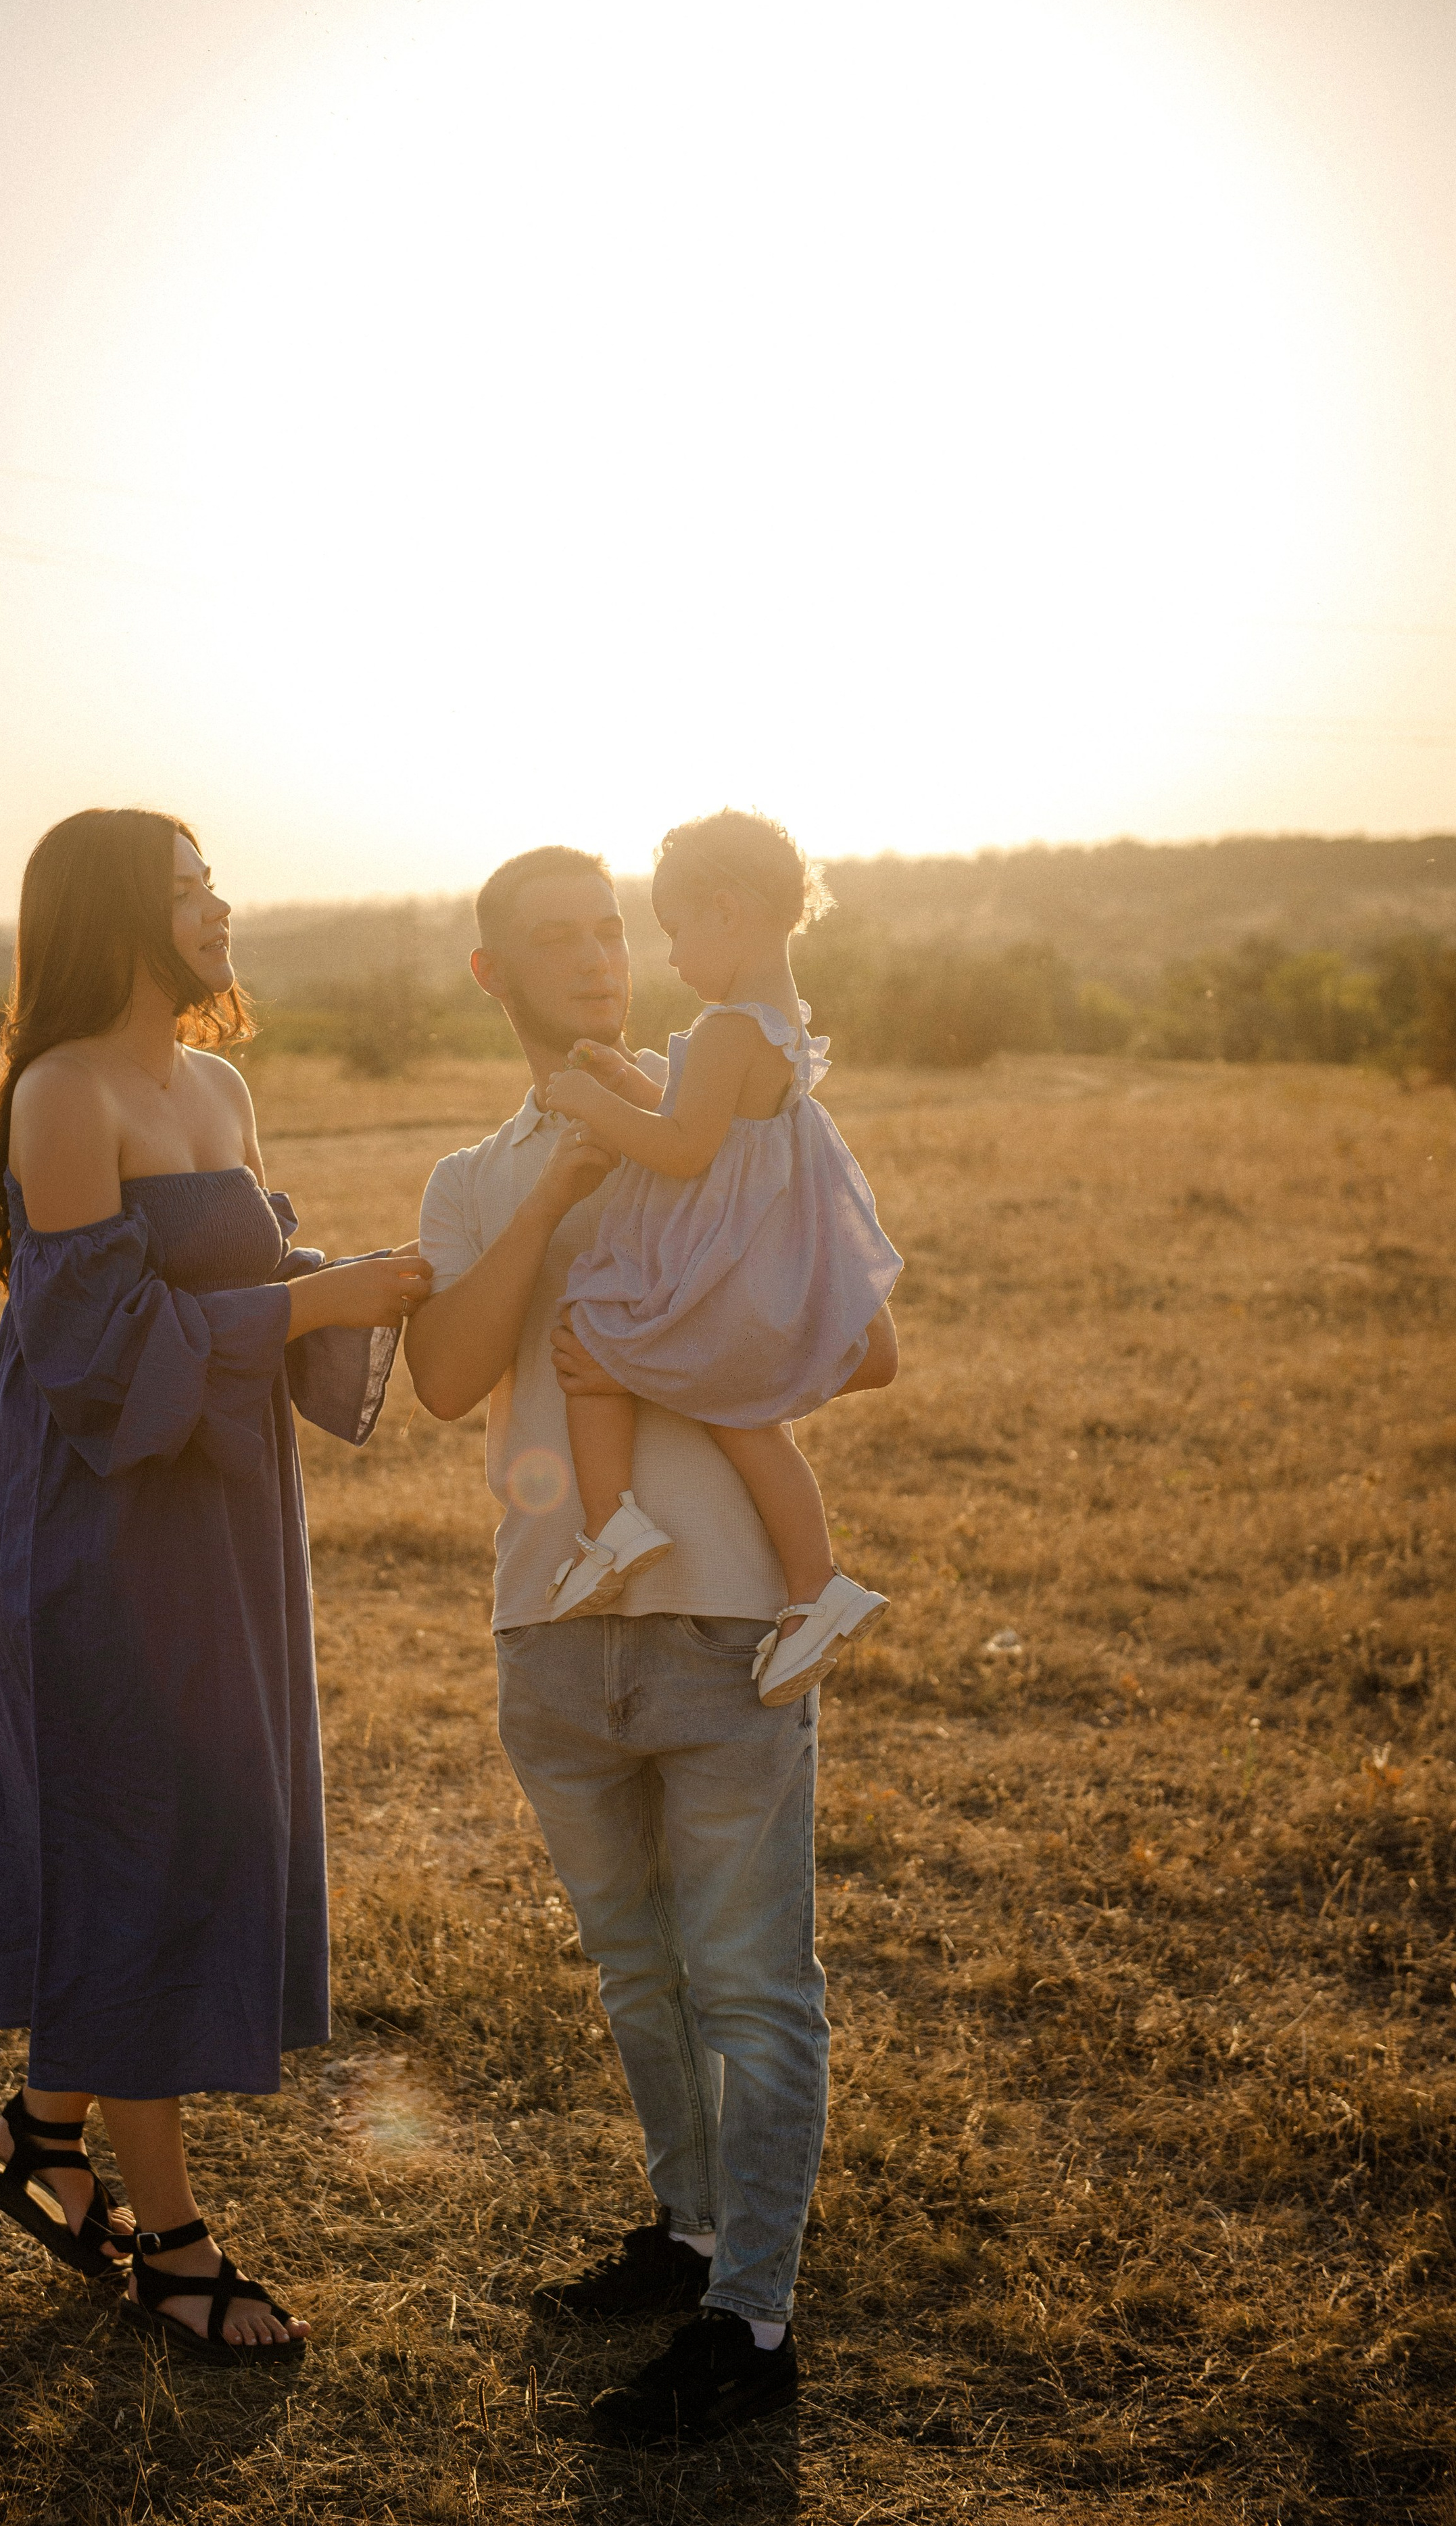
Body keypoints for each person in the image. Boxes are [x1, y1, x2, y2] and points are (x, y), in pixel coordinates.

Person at [404, 844, 898, 2446]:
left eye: (614, 927)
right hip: (551, 1622)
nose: (603, 956)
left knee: (749, 1984)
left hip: (724, 1617)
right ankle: (684, 2238)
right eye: (558, 939)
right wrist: (560, 1173)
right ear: (493, 972)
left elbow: (866, 1340)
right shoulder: (475, 1173)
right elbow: (442, 1375)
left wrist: (709, 1315)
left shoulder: (737, 1118)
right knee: (636, 1977)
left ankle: (749, 2319)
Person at [0, 807, 431, 2366]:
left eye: (214, 880)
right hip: (100, 1519)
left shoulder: (216, 1084)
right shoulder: (65, 1096)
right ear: (115, 916)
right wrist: (315, 1304)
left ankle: (40, 2134)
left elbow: (238, 1287)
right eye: (186, 888)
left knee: (212, 1808)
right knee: (138, 1836)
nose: (219, 906)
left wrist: (385, 1283)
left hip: (221, 1509)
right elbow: (92, 1359)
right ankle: (168, 2241)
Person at [539, 809, 900, 1707]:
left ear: (726, 911)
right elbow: (704, 1117)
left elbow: (685, 1150)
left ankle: (610, 1524)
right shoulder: (777, 1024)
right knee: (745, 1422)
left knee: (589, 1333)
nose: (666, 957)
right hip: (757, 1262)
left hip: (721, 1263)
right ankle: (815, 1587)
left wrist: (590, 1099)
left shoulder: (731, 1026)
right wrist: (632, 1084)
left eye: (673, 930)